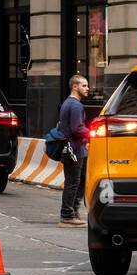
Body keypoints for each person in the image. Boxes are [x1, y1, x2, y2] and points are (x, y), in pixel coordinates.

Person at [58, 74, 91, 227]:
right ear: (75, 87)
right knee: (73, 182)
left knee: (80, 180)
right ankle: (67, 215)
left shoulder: (68, 103)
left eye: (87, 85)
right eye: (84, 85)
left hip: (75, 148)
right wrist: (91, 134)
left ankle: (74, 211)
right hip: (74, 149)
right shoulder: (76, 105)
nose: (87, 88)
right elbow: (76, 128)